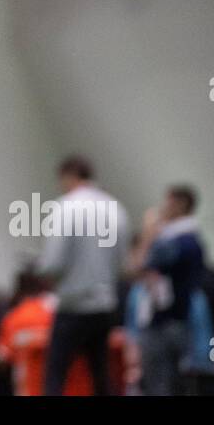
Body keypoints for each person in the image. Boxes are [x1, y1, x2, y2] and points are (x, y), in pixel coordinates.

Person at [37, 156, 129, 395]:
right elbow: (122, 262)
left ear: (69, 176)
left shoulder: (66, 207)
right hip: (105, 305)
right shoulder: (115, 208)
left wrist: (43, 270)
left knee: (55, 375)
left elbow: (52, 263)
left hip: (73, 306)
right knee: (100, 374)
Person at [132, 185, 207, 396]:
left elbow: (138, 265)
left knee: (159, 386)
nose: (163, 207)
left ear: (180, 204)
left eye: (168, 202)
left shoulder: (174, 242)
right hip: (181, 321)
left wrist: (148, 233)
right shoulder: (194, 240)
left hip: (163, 325)